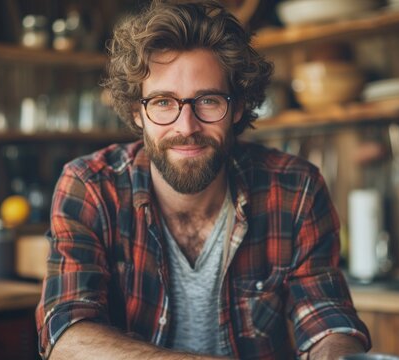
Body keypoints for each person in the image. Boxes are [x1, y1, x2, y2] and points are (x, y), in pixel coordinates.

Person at [35, 1, 371, 359]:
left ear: (238, 106)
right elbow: (68, 337)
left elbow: (328, 323)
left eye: (208, 100)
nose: (187, 127)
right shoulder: (90, 187)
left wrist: (337, 353)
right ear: (137, 112)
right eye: (164, 102)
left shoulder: (295, 189)